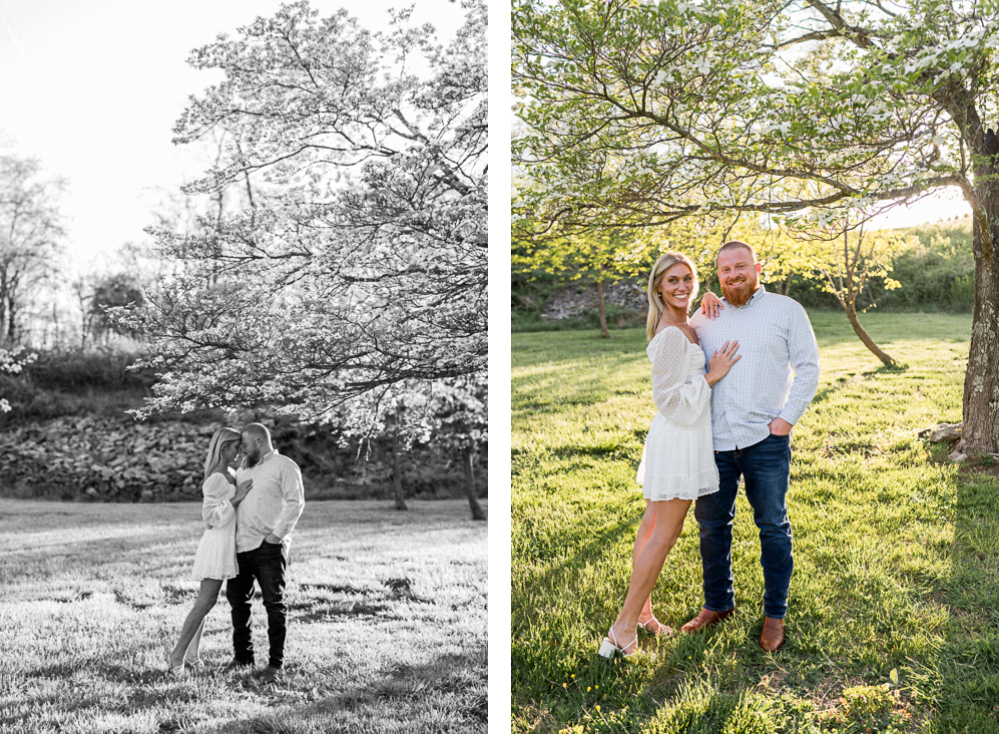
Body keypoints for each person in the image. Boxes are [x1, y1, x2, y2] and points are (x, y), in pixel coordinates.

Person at [599, 252, 741, 658]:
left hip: (682, 435)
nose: (681, 287)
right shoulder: (668, 334)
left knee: (650, 527)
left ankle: (642, 614)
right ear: (658, 287)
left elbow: (695, 319)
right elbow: (666, 400)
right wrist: (711, 376)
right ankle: (623, 629)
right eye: (672, 281)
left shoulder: (683, 323)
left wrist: (710, 296)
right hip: (679, 436)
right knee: (665, 532)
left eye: (689, 279)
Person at [684, 240, 820, 652]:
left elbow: (809, 367)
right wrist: (701, 298)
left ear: (757, 267)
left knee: (773, 528)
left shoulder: (786, 310)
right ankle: (718, 604)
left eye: (741, 267)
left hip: (766, 440)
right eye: (725, 271)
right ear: (717, 275)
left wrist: (785, 421)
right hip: (714, 441)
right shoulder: (704, 316)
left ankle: (774, 614)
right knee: (711, 528)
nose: (733, 275)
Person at [166, 427, 253, 674]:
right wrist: (236, 499)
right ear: (224, 448)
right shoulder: (217, 477)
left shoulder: (231, 472)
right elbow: (209, 517)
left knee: (207, 602)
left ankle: (192, 655)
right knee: (204, 602)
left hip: (226, 543)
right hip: (216, 544)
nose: (240, 450)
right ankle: (176, 657)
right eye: (236, 446)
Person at [226, 422, 305, 684]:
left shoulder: (284, 465)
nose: (243, 450)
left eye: (246, 444)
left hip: (268, 546)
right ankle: (243, 657)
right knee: (238, 603)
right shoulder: (244, 468)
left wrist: (276, 537)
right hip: (240, 546)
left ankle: (275, 664)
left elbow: (296, 502)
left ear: (259, 441)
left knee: (274, 603)